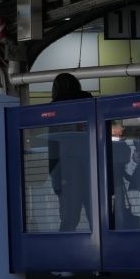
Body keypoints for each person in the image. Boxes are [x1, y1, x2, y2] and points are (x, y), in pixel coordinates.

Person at [47, 73, 92, 232]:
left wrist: (56, 181)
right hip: (92, 170)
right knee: (98, 218)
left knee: (69, 219)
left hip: (67, 172)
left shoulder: (54, 112)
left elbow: (53, 149)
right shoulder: (90, 104)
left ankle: (62, 254)